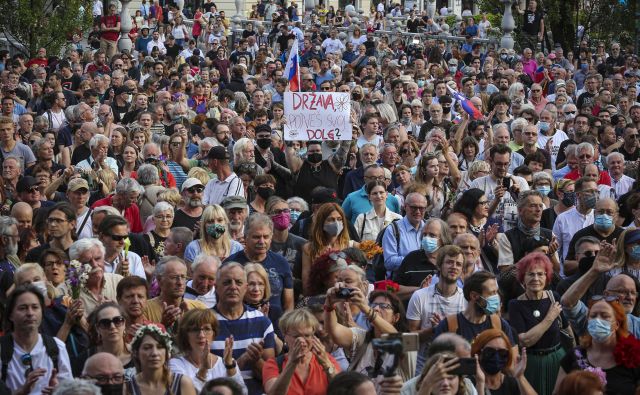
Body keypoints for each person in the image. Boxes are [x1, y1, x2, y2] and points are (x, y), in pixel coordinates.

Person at [507, 252, 570, 394]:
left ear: (546, 277)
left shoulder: (554, 297)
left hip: (557, 359)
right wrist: (550, 317)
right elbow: (525, 340)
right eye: (531, 274)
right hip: (531, 363)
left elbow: (567, 329)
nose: (536, 278)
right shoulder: (515, 304)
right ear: (523, 278)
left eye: (540, 274)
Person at [554, 295, 640, 395]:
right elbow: (557, 392)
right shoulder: (574, 355)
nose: (597, 320)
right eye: (593, 316)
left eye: (605, 316)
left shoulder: (633, 357)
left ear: (616, 324)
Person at [211, 262, 276, 394]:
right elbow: (203, 375)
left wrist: (255, 360)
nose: (233, 287)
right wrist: (242, 360)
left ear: (245, 287)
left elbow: (270, 377)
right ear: (216, 287)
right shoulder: (205, 322)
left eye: (238, 282)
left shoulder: (262, 322)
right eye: (227, 282)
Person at [324, 288, 416, 382]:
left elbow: (396, 337)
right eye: (373, 305)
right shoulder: (362, 337)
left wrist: (365, 308)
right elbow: (333, 331)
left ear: (396, 317)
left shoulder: (410, 341)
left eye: (384, 306)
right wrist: (329, 305)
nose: (376, 308)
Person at [225, 213, 294, 330]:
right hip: (239, 327)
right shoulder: (230, 265)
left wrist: (286, 332)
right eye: (256, 237)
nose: (262, 241)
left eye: (266, 237)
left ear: (271, 237)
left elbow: (288, 305)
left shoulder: (281, 263)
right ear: (245, 237)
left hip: (276, 328)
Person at [1, 285, 73, 394]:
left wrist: (59, 391)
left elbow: (71, 390)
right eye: (23, 308)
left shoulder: (57, 347)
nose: (30, 313)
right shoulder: (2, 349)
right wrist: (21, 392)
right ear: (10, 315)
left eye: (35, 307)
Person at [406, 245, 467, 373]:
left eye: (458, 264)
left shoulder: (466, 300)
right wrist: (433, 330)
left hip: (455, 368)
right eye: (449, 262)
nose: (454, 267)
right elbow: (409, 341)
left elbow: (469, 339)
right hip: (422, 368)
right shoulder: (419, 296)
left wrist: (445, 327)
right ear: (439, 266)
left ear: (462, 270)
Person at [262, 308, 341, 395]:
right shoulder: (274, 364)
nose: (303, 341)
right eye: (297, 336)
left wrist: (327, 364)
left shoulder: (326, 359)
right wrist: (292, 363)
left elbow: (342, 390)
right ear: (285, 336)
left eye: (307, 335)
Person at [169, 309, 245, 393]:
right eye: (195, 329)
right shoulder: (176, 364)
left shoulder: (228, 363)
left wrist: (230, 367)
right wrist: (203, 370)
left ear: (214, 334)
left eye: (207, 329)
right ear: (185, 335)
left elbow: (243, 393)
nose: (201, 335)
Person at [141, 256, 207, 333]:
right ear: (159, 280)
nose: (180, 282)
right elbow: (145, 341)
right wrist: (163, 325)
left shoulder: (199, 308)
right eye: (174, 277)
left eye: (183, 277)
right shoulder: (145, 309)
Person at [301, 203, 355, 296]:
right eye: (331, 220)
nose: (336, 223)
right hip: (319, 296)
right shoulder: (309, 248)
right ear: (321, 223)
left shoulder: (351, 245)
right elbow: (306, 283)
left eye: (339, 219)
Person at [128, 324, 197, 395]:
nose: (154, 353)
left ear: (167, 352)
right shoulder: (127, 388)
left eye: (160, 347)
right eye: (147, 348)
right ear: (136, 353)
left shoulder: (183, 383)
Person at [470, 329, 536, 394]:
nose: (496, 357)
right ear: (478, 353)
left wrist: (520, 377)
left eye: (502, 353)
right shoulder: (468, 384)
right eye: (489, 352)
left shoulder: (512, 383)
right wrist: (480, 385)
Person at [382, 192, 427, 277]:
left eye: (421, 208)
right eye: (413, 207)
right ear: (405, 207)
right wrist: (416, 260)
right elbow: (389, 262)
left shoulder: (429, 228)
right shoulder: (393, 230)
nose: (417, 211)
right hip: (400, 283)